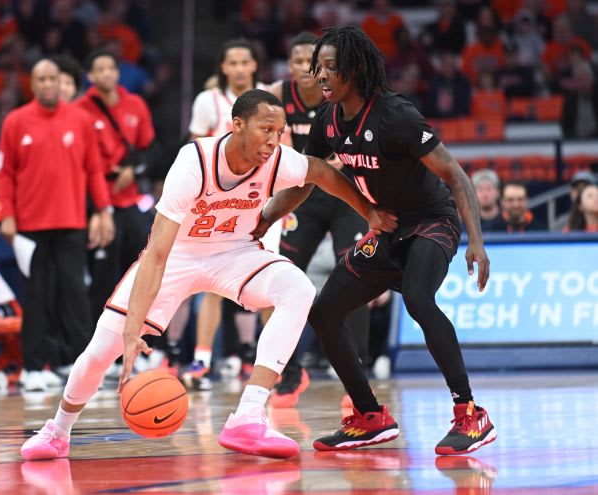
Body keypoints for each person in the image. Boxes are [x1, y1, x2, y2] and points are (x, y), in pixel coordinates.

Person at [19, 89, 389, 461]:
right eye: (266, 129)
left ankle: (248, 415)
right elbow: (158, 253)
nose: (274, 140)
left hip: (233, 253)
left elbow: (322, 172)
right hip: (177, 256)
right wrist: (134, 327)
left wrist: (369, 212)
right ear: (237, 125)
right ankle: (58, 431)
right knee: (102, 351)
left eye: (279, 131)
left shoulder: (277, 160)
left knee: (298, 289)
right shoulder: (194, 160)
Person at [255, 26, 495, 455]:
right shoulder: (328, 119)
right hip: (387, 226)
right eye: (317, 68)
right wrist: (265, 217)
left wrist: (476, 241)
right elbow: (309, 178)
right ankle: (369, 417)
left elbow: (456, 176)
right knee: (325, 313)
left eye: (330, 68)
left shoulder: (395, 115)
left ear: (355, 69)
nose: (320, 76)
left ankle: (470, 413)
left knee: (419, 300)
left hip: (431, 221)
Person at [0, 59, 114, 392]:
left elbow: (94, 169)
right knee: (36, 295)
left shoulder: (79, 120)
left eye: (53, 78)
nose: (48, 84)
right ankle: (34, 366)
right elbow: (4, 173)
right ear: (32, 84)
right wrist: (7, 213)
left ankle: (75, 364)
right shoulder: (15, 121)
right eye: (42, 79)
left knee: (74, 293)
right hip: (30, 226)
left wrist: (104, 210)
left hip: (71, 221)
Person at [267, 31, 370, 408]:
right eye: (297, 61)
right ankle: (289, 373)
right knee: (281, 276)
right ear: (290, 66)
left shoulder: (341, 94)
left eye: (312, 62)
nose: (305, 69)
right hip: (304, 196)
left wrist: (328, 163)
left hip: (344, 195)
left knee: (357, 272)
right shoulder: (278, 95)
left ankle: (357, 374)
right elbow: (283, 153)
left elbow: (354, 146)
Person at [181, 38, 268, 389]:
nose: (238, 69)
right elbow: (193, 149)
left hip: (260, 198)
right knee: (213, 285)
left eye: (244, 62)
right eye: (231, 63)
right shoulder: (208, 100)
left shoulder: (268, 96)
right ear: (223, 67)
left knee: (266, 282)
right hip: (218, 202)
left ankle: (262, 360)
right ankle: (201, 359)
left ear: (254, 66)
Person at [75, 49, 155, 353]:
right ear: (91, 76)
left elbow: (152, 150)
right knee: (102, 280)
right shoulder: (81, 109)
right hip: (98, 202)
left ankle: (140, 345)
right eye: (100, 69)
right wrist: (95, 208)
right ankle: (97, 350)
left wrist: (134, 170)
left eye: (112, 67)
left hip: (131, 200)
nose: (107, 73)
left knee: (140, 275)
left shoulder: (135, 104)